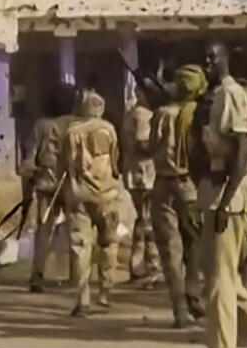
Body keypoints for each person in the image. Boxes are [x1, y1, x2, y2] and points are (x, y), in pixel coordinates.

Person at [188, 41, 247, 348]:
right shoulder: (213, 98)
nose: (207, 64)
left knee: (219, 278)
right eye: (205, 59)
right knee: (220, 272)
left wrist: (226, 203)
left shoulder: (230, 94)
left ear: (225, 60)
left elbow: (241, 150)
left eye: (213, 58)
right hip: (216, 191)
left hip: (230, 195)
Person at [150, 64, 208, 327]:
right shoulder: (198, 114)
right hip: (191, 185)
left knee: (170, 251)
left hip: (163, 184)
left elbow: (152, 147)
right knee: (194, 245)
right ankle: (194, 296)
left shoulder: (161, 114)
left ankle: (180, 310)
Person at [62, 90, 122, 317]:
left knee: (80, 246)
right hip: (107, 194)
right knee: (109, 243)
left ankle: (82, 299)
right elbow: (115, 162)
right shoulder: (109, 129)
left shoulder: (71, 132)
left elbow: (65, 164)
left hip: (79, 194)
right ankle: (105, 292)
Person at [23, 84, 77, 292]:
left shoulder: (40, 126)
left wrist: (27, 190)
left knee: (44, 230)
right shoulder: (77, 125)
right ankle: (76, 276)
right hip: (73, 186)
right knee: (76, 229)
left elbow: (29, 161)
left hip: (46, 185)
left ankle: (37, 276)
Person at [122, 79, 162, 284]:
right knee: (149, 221)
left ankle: (137, 264)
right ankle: (152, 266)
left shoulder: (132, 113)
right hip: (145, 175)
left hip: (135, 173)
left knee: (142, 219)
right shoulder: (143, 116)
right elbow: (143, 143)